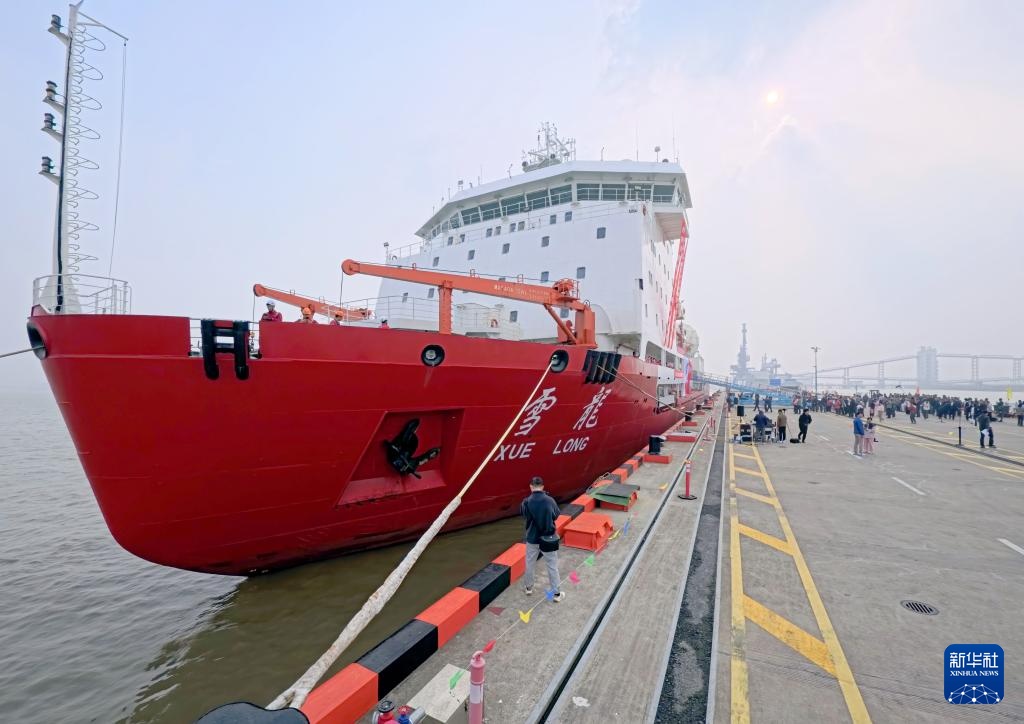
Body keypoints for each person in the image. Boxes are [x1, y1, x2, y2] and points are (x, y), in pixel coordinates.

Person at [520, 476, 564, 602]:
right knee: (552, 565)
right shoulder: (549, 500)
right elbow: (556, 515)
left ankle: (529, 588)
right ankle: (556, 594)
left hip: (532, 538)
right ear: (543, 487)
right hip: (548, 538)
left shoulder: (526, 502)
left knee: (530, 563)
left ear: (531, 486)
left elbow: (524, 515)